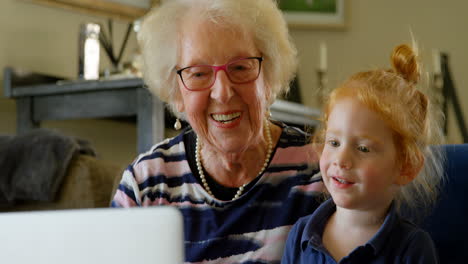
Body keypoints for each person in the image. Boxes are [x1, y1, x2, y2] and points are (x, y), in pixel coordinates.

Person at [111, 0, 325, 263]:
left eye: (240, 67)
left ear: (267, 78)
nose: (223, 92)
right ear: (177, 92)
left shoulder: (320, 172)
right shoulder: (147, 184)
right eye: (199, 74)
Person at [282, 44, 445, 263]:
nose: (341, 160)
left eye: (363, 148)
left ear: (407, 166)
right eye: (334, 142)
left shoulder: (413, 248)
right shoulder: (299, 235)